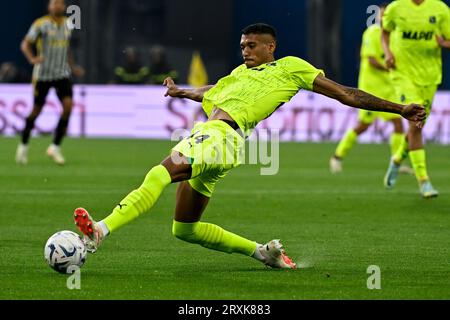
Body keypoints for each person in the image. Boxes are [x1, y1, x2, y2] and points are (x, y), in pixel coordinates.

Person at [73, 24, 425, 269]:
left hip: (221, 136)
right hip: (219, 141)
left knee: (159, 173)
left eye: (252, 45)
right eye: (242, 46)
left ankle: (100, 230)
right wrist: (182, 91)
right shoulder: (236, 76)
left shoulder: (290, 68)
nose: (245, 51)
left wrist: (399, 108)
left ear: (271, 46)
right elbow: (208, 92)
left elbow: (347, 94)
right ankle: (263, 254)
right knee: (185, 229)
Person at [330, 3, 410, 174]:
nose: (382, 18)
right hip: (370, 89)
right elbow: (371, 60)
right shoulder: (372, 33)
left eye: (385, 15)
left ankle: (396, 162)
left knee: (398, 122)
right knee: (363, 125)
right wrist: (389, 67)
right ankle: (337, 156)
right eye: (381, 14)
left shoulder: (395, 35)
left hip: (388, 87)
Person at [382, 0, 450, 199]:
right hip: (403, 74)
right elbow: (384, 32)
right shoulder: (396, 8)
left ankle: (396, 159)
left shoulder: (439, 9)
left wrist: (444, 44)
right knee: (415, 121)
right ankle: (424, 181)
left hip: (429, 76)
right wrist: (388, 53)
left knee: (416, 126)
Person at [16, 0, 85, 166]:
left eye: (60, 3)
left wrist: (72, 66)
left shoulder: (68, 24)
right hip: (43, 76)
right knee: (36, 110)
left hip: (62, 74)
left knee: (68, 105)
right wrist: (32, 58)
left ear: (64, 6)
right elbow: (25, 44)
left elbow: (66, 48)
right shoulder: (41, 24)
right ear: (49, 6)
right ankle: (23, 145)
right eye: (54, 3)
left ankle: (55, 147)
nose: (57, 6)